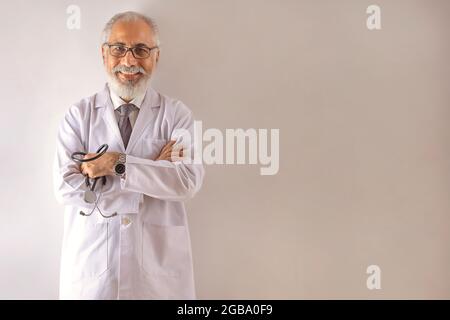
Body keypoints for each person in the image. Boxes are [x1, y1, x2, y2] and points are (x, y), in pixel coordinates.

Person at [53, 11, 204, 299]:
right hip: (94, 277)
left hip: (159, 281)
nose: (130, 60)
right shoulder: (78, 116)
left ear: (156, 57)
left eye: (141, 50)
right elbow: (65, 189)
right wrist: (152, 173)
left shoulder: (176, 116)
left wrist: (114, 163)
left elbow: (186, 181)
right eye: (119, 48)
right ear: (103, 54)